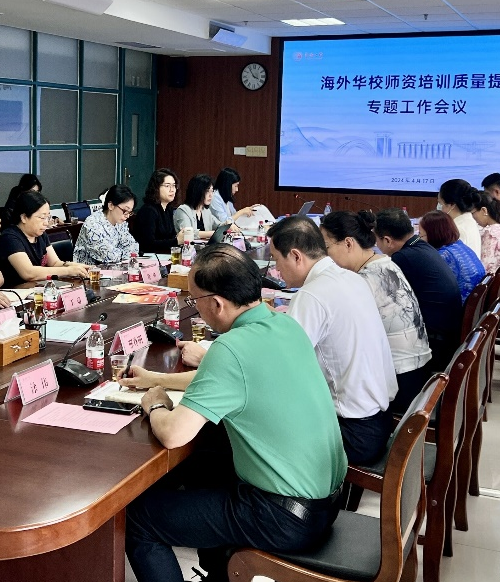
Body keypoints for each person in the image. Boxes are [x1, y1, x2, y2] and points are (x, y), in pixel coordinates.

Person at [122, 245, 346, 582]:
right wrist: (157, 379)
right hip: (325, 501)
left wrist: (155, 402)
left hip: (284, 516)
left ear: (216, 304)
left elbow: (173, 434)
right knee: (205, 461)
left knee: (139, 518)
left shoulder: (230, 348)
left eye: (194, 299)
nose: (194, 306)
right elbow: (225, 379)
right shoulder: (285, 325)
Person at [264, 216, 397, 464]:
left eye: (276, 258)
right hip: (379, 421)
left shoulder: (312, 295)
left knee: (254, 429)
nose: (276, 269)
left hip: (351, 434)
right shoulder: (351, 278)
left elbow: (280, 368)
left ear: (296, 256)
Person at [320, 211, 432, 413]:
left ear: (348, 243)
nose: (325, 256)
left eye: (326, 247)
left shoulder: (363, 281)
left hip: (400, 381)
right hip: (416, 371)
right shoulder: (385, 263)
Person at [373, 208, 464, 373]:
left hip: (436, 343)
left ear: (387, 240)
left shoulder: (402, 258)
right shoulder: (421, 246)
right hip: (449, 333)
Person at [0, 191, 89, 288]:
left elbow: (54, 263)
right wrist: (68, 271)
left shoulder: (40, 234)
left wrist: (76, 266)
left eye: (48, 217)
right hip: (13, 293)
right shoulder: (10, 238)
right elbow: (29, 273)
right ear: (24, 217)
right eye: (42, 218)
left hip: (36, 289)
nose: (46, 223)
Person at [418, 210, 487, 303]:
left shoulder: (443, 256)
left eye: (421, 236)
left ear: (433, 235)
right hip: (474, 302)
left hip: (459, 306)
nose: (419, 240)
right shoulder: (459, 245)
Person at [72, 184, 140, 265]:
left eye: (130, 212)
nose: (127, 216)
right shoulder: (92, 224)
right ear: (111, 205)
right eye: (125, 211)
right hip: (89, 271)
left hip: (115, 269)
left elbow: (133, 247)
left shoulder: (120, 222)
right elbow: (109, 257)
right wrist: (125, 253)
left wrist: (122, 253)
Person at [133, 168, 185, 254]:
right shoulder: (148, 211)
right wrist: (176, 241)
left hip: (165, 256)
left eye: (174, 185)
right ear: (156, 188)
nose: (172, 190)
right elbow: (148, 244)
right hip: (150, 257)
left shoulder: (168, 209)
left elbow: (170, 237)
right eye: (167, 186)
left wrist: (180, 237)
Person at [472, 191, 500, 273]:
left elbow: (485, 266)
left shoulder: (491, 233)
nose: (473, 218)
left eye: (473, 213)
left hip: (492, 277)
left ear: (484, 210)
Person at [437, 178, 482, 257]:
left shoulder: (458, 230)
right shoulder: (467, 220)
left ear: (452, 205)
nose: (439, 207)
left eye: (440, 203)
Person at [173, 174, 223, 240]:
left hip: (205, 246)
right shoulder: (183, 210)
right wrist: (212, 233)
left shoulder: (206, 211)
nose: (211, 195)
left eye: (212, 191)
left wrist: (228, 225)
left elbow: (218, 225)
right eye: (207, 191)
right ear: (197, 191)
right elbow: (187, 233)